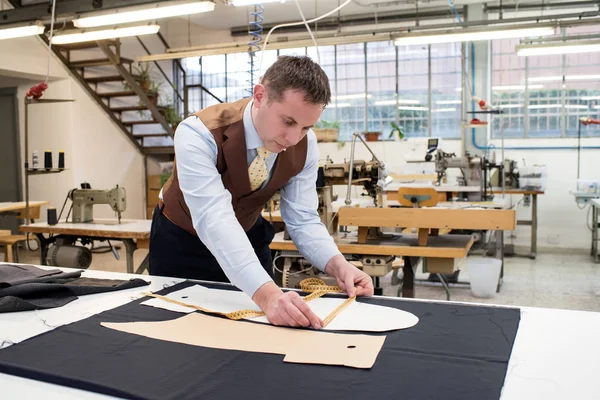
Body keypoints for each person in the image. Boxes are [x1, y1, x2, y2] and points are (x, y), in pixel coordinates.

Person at [149, 55, 374, 330]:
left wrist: (340, 267)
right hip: (182, 241)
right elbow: (214, 218)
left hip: (247, 235)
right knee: (180, 335)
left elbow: (302, 218)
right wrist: (267, 295)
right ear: (259, 95)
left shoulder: (304, 144)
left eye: (306, 127)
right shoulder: (198, 133)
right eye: (288, 121)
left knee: (257, 335)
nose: (293, 139)